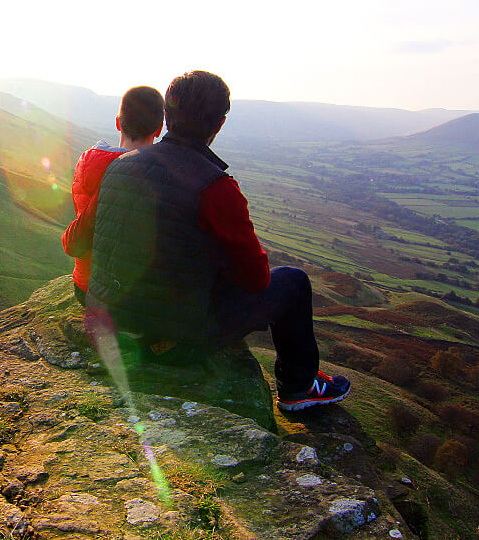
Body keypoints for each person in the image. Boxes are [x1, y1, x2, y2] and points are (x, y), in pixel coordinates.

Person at [81, 70, 350, 411]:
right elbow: (256, 280)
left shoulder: (119, 167)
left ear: (167, 117)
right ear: (219, 124)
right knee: (293, 282)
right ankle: (300, 387)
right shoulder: (216, 187)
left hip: (109, 330)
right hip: (169, 344)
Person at [62, 86, 164, 307]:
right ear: (159, 129)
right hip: (136, 298)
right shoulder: (161, 173)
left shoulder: (88, 161)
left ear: (118, 122)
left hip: (85, 288)